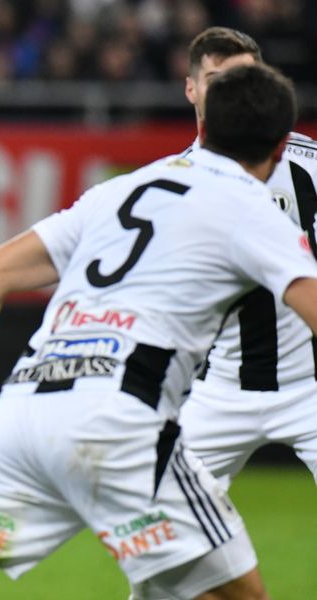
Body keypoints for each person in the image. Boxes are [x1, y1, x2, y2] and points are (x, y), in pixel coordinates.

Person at [0, 64, 317, 600]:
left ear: (202, 128)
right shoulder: (253, 208)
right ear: (280, 148)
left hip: (22, 416)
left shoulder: (120, 191)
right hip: (120, 424)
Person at [178, 27, 317, 489]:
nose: (233, 93)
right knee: (157, 517)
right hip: (221, 390)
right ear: (192, 89)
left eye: (244, 78)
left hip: (312, 388)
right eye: (218, 79)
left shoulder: (310, 166)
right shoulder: (175, 183)